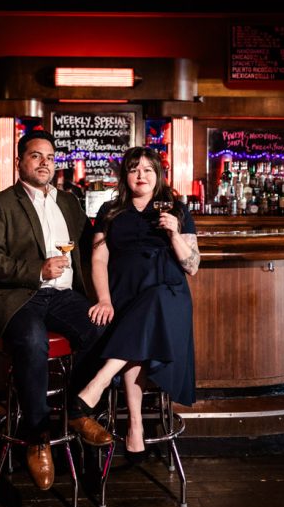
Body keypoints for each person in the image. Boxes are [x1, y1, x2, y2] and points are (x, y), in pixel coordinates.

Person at [0, 130, 112, 492]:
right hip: (20, 297)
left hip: (62, 297)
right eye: (36, 156)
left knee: (103, 326)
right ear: (19, 161)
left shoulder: (69, 201)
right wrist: (37, 269)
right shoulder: (0, 204)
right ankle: (37, 436)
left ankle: (77, 411)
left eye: (50, 156)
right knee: (34, 342)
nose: (45, 162)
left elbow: (90, 241)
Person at [71, 146, 200, 462]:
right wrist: (103, 298)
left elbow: (193, 265)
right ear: (124, 176)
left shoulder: (178, 210)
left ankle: (98, 384)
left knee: (152, 304)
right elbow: (98, 258)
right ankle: (136, 429)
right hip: (124, 295)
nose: (141, 175)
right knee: (139, 329)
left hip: (169, 297)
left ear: (159, 174)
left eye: (148, 169)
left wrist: (174, 234)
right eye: (134, 169)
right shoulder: (110, 211)